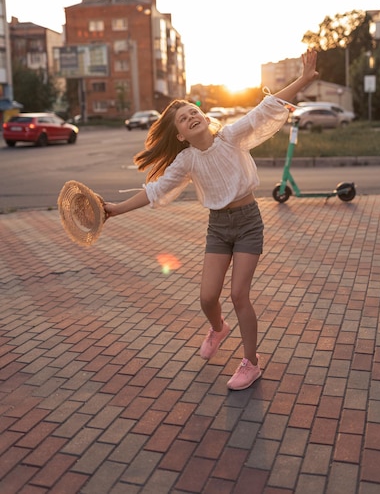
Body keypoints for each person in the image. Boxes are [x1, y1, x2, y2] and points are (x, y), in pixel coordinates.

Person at [104, 49, 318, 390]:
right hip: (218, 227)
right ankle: (218, 329)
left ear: (204, 117)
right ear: (180, 135)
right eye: (184, 119)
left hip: (248, 222)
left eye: (193, 112)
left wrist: (304, 79)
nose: (191, 117)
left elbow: (265, 110)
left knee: (238, 295)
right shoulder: (187, 161)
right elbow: (155, 190)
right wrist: (115, 210)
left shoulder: (231, 137)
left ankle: (251, 363)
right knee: (207, 298)